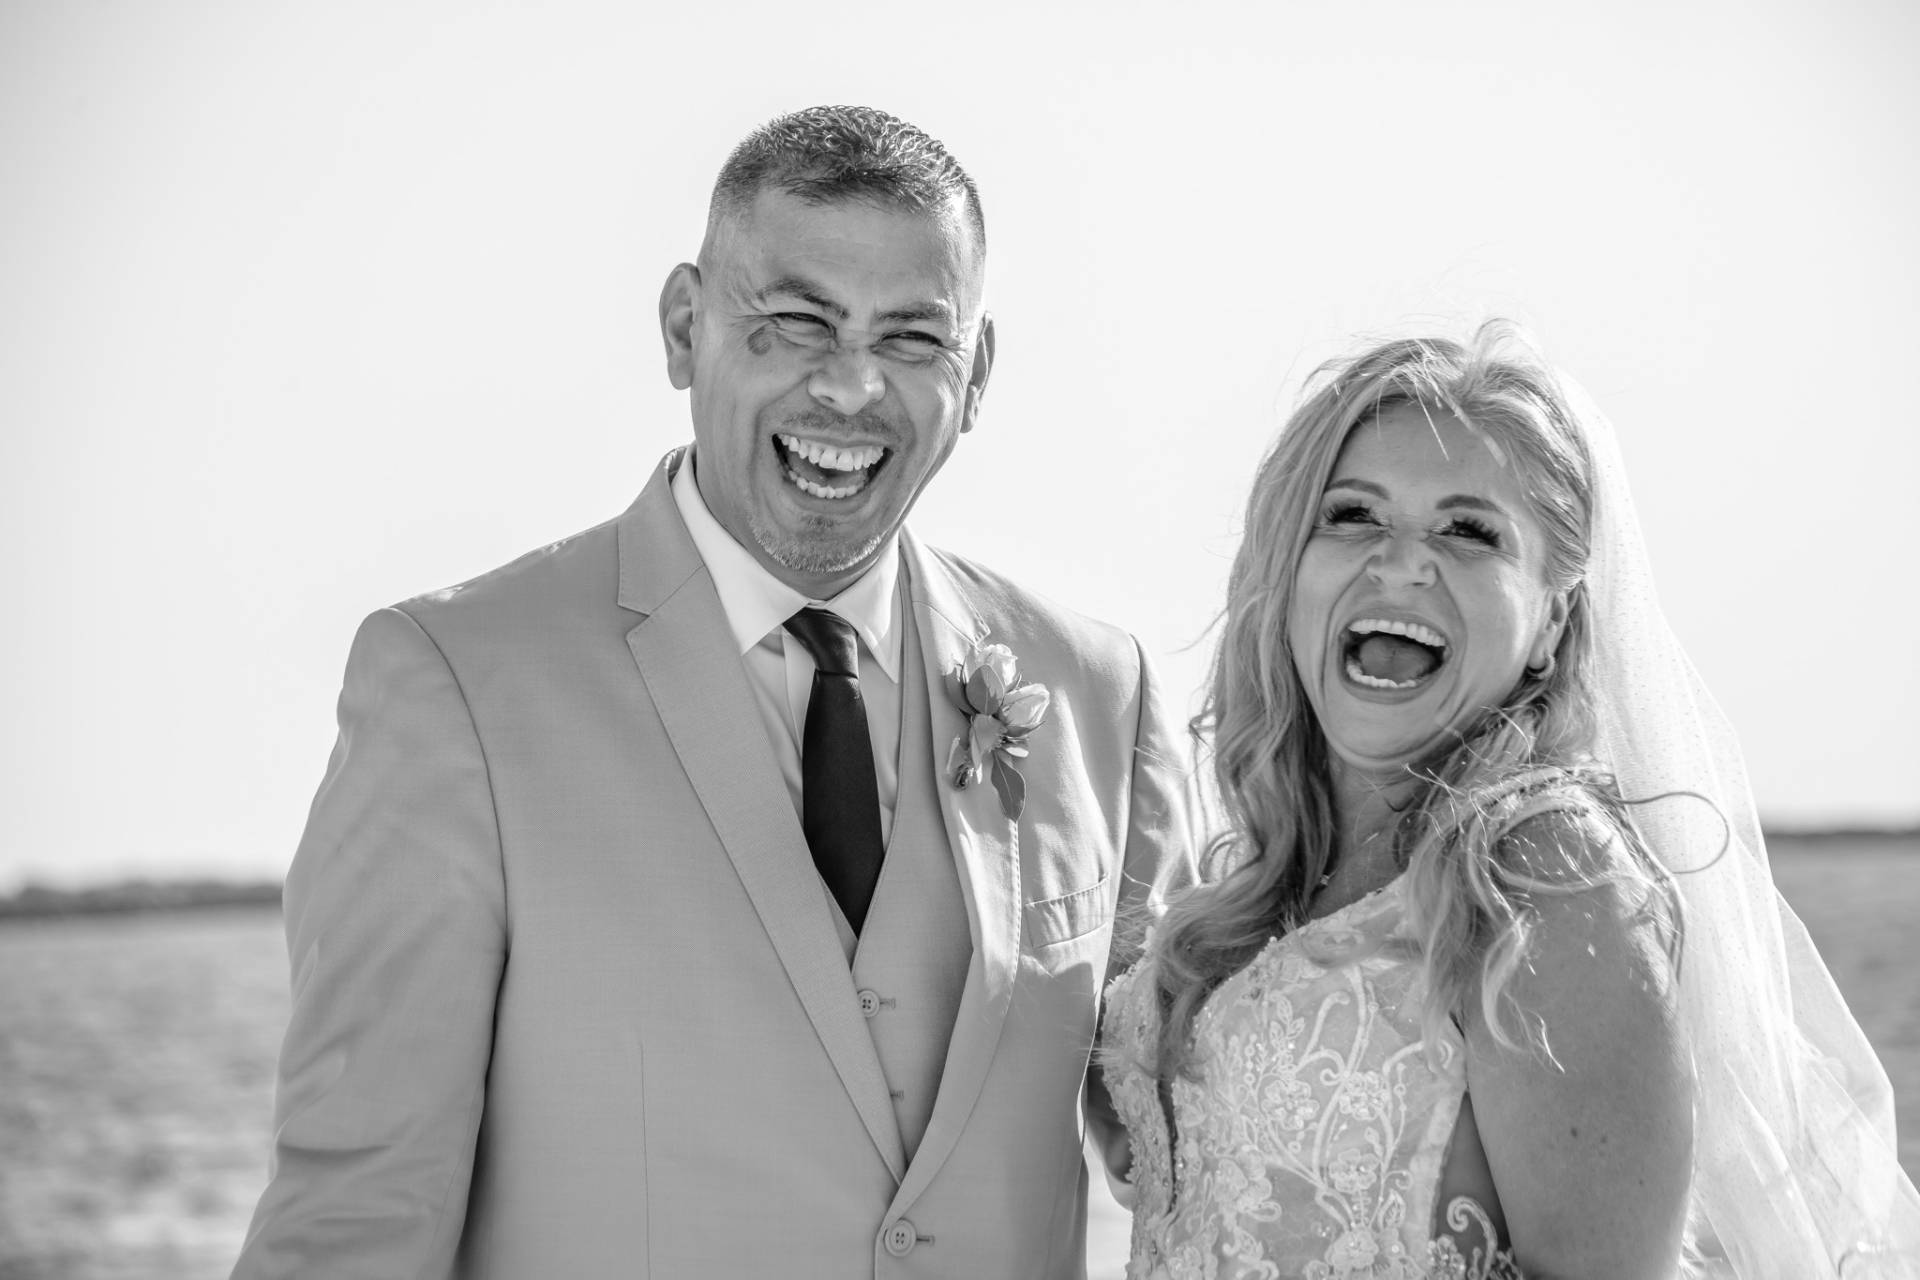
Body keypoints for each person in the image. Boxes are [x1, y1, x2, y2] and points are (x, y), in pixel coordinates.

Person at [232, 104, 1192, 1277]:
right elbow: (354, 1220)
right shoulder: (457, 687)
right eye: (796, 323)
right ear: (686, 328)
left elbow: (1193, 1131)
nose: (850, 388)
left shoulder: (1098, 692)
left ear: (978, 372)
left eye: (911, 339)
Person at [1099, 326, 1920, 1278]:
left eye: (1469, 531)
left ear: (1551, 622)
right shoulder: (1261, 881)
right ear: (1287, 571)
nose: (1403, 562)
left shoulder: (1543, 873)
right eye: (1354, 514)